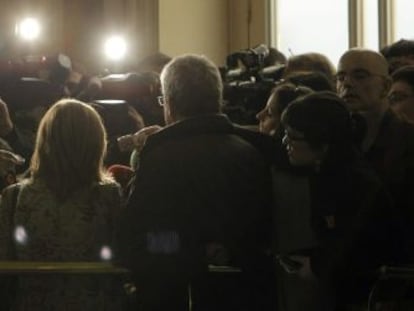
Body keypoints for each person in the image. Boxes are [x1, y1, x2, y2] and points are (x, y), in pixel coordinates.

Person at [115, 54, 275, 311]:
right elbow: (266, 232)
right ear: (217, 98)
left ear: (170, 103)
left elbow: (140, 239)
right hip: (247, 294)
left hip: (177, 294)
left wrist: (191, 248)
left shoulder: (160, 157)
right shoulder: (253, 151)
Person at [280, 91, 401, 310]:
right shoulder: (330, 172)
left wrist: (317, 265)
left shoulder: (356, 184)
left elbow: (354, 246)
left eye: (293, 136)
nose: (284, 141)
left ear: (323, 143)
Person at [0, 99, 124, 311]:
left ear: (44, 142)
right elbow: (125, 255)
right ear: (96, 143)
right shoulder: (110, 196)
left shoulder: (14, 197)